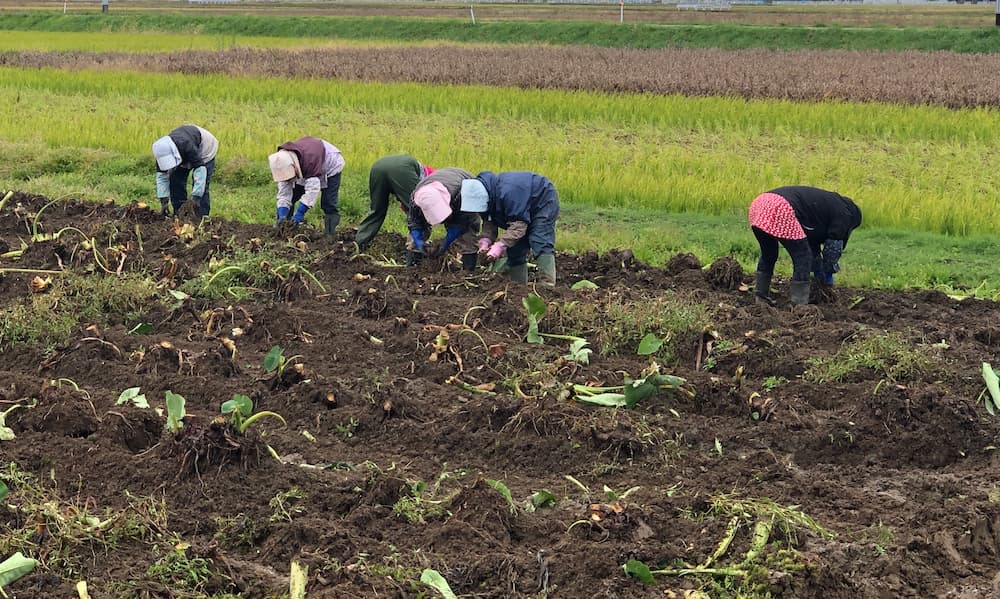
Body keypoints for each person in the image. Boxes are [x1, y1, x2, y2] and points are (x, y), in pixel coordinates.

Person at [750, 186, 862, 306]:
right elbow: (833, 249)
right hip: (781, 207)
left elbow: (810, 242)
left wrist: (818, 268)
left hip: (759, 204)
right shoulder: (845, 214)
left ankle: (761, 297)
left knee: (769, 254)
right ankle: (799, 305)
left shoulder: (823, 208)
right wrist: (827, 275)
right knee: (802, 256)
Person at [460, 171, 559, 287]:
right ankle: (518, 286)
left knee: (539, 239)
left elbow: (519, 226)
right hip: (520, 211)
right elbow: (490, 220)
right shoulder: (488, 197)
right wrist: (486, 240)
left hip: (542, 200)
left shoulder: (508, 195)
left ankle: (547, 285)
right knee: (515, 248)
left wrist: (501, 245)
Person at [268, 136, 345, 238]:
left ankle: (330, 234)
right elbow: (284, 193)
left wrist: (300, 212)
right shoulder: (282, 163)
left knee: (328, 202)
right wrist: (282, 214)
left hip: (329, 163)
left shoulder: (310, 161)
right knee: (292, 197)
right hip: (304, 165)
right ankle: (283, 228)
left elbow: (312, 190)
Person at [355, 154, 435, 251]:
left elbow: (405, 201)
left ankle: (357, 244)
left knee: (377, 210)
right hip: (402, 168)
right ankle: (416, 249)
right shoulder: (435, 180)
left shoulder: (422, 174)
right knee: (419, 210)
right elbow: (420, 207)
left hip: (378, 166)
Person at [407, 167, 481, 270]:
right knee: (416, 236)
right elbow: (414, 222)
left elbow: (463, 222)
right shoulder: (417, 199)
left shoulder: (462, 192)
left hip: (465, 187)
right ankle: (413, 266)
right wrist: (418, 241)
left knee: (467, 233)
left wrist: (446, 243)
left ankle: (468, 270)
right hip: (444, 186)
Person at [151, 124, 218, 218]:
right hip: (184, 150)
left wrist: (196, 196)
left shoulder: (186, 145)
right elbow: (162, 176)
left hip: (205, 147)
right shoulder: (161, 152)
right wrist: (164, 201)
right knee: (175, 181)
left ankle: (201, 217)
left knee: (202, 186)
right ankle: (179, 214)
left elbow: (200, 169)